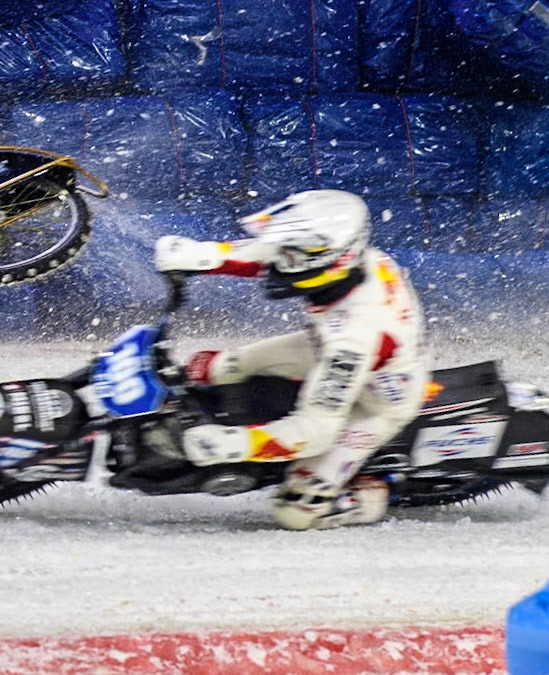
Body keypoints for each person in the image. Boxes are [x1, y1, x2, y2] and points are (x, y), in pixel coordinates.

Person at [153, 189, 429, 531]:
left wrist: (239, 444)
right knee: (214, 368)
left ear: (333, 259)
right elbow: (270, 253)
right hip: (329, 347)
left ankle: (379, 487)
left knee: (296, 510)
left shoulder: (353, 339)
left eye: (293, 255)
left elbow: (315, 431)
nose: (282, 262)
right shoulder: (348, 263)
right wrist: (201, 255)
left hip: (374, 403)